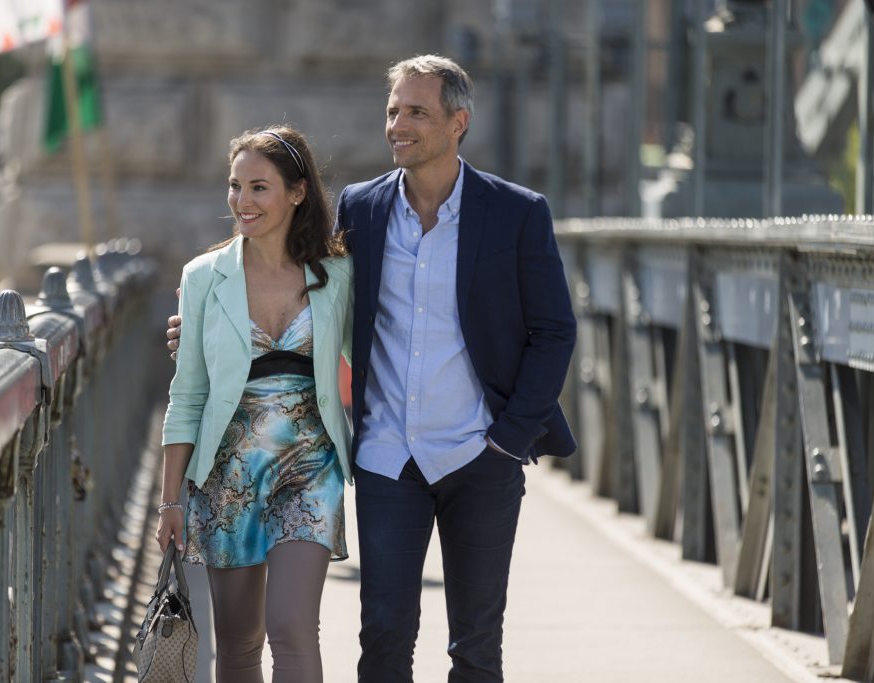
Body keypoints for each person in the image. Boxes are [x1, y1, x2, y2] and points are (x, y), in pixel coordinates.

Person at [169, 55, 576, 682]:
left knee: (476, 645)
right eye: (392, 111)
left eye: (416, 112)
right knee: (383, 637)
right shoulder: (361, 211)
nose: (398, 125)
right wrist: (199, 333)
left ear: (458, 121)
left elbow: (554, 332)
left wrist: (509, 439)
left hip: (481, 455)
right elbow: (298, 282)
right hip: (387, 458)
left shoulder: (517, 213)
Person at [157, 125, 353, 683]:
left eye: (259, 187)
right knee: (240, 642)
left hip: (311, 469)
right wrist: (170, 502)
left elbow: (371, 359)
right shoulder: (202, 278)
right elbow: (188, 392)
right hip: (227, 473)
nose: (242, 201)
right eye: (235, 186)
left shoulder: (337, 274)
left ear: (297, 193)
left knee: (293, 626)